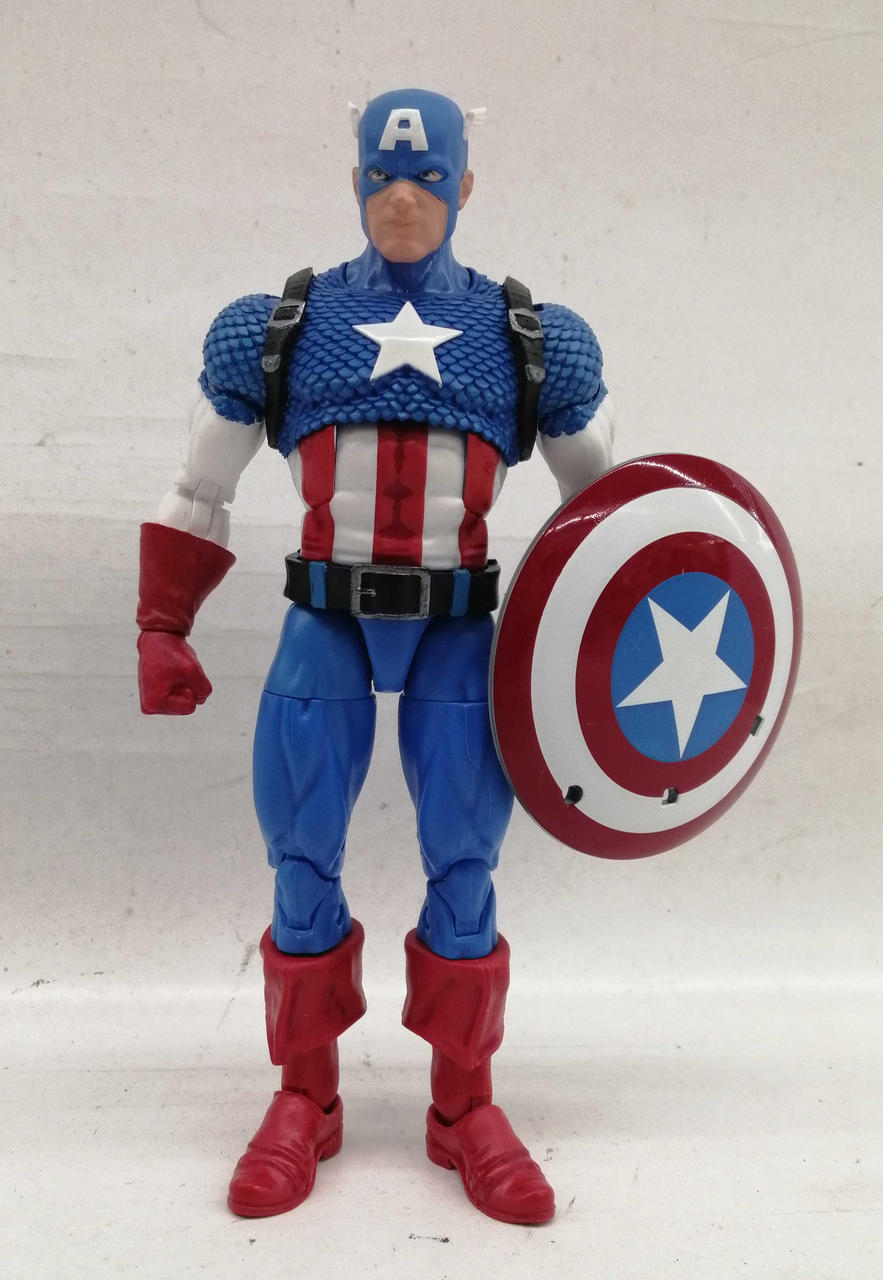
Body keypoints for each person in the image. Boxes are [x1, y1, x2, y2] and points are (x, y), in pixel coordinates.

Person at [137, 88, 614, 1226]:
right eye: (384, 176)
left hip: (458, 628)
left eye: (429, 178)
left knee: (466, 861)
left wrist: (618, 657)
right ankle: (305, 1097)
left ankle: (464, 1104)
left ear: (464, 184)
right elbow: (201, 481)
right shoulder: (282, 327)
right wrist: (162, 621)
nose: (404, 198)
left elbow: (609, 511)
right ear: (354, 178)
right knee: (301, 856)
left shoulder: (528, 339)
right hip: (326, 620)